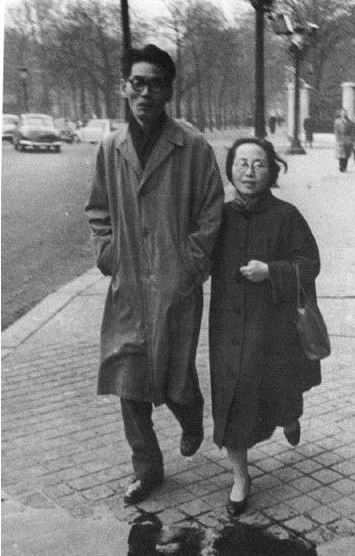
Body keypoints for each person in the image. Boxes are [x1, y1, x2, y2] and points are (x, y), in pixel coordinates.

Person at [85, 45, 224, 505]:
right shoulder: (111, 148)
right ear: (124, 87)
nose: (145, 92)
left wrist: (190, 263)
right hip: (127, 282)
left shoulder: (193, 147)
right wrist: (109, 254)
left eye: (155, 84)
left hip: (175, 283)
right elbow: (98, 209)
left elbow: (211, 212)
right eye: (137, 83)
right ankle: (147, 468)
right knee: (127, 375)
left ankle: (191, 413)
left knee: (173, 372)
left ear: (168, 91)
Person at [208, 138, 322, 517]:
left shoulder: (287, 216)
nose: (249, 172)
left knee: (280, 390)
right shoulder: (218, 217)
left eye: (258, 164)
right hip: (229, 326)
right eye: (241, 163)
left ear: (271, 170)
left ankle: (289, 416)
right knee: (230, 398)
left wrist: (271, 271)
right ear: (230, 169)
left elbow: (310, 264)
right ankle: (241, 478)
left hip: (274, 328)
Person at [334, 108, 355, 172]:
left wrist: (351, 138)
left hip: (348, 139)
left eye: (345, 113)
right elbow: (336, 131)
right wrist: (338, 139)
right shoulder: (337, 121)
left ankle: (345, 167)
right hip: (340, 139)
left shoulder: (350, 122)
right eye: (342, 113)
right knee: (341, 154)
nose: (344, 114)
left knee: (346, 154)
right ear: (340, 113)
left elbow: (352, 131)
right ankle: (341, 166)